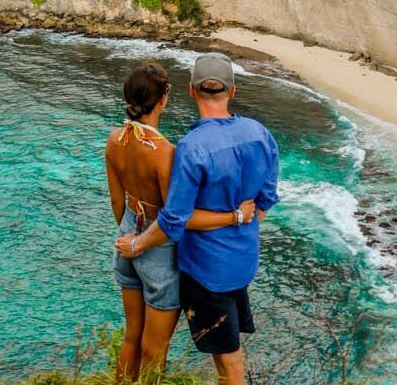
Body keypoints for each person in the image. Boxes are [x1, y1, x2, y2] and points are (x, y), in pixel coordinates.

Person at [115, 53, 279, 385]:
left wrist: (137, 241)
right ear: (232, 91)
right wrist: (242, 221)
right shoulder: (261, 134)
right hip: (241, 263)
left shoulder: (191, 148)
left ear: (191, 91)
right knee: (228, 356)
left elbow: (174, 218)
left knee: (227, 361)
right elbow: (266, 199)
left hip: (206, 271)